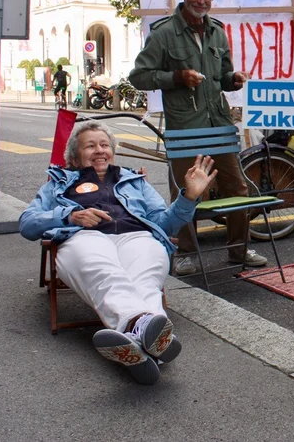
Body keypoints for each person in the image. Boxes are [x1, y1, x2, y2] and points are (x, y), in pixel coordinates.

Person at [19, 121, 217, 384]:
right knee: (105, 271)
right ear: (75, 157)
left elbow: (164, 223)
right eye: (90, 146)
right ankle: (147, 330)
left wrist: (189, 197)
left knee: (145, 277)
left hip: (135, 236)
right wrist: (71, 216)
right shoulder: (58, 184)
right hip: (84, 237)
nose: (99, 150)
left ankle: (137, 341)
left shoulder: (134, 181)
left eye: (104, 145)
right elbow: (27, 223)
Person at [129, 0, 267, 276]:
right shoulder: (164, 33)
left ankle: (239, 250)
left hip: (218, 123)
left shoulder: (217, 31)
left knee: (238, 189)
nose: (202, 1)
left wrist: (235, 78)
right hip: (184, 128)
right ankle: (186, 252)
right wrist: (177, 77)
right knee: (186, 191)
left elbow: (223, 76)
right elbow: (138, 76)